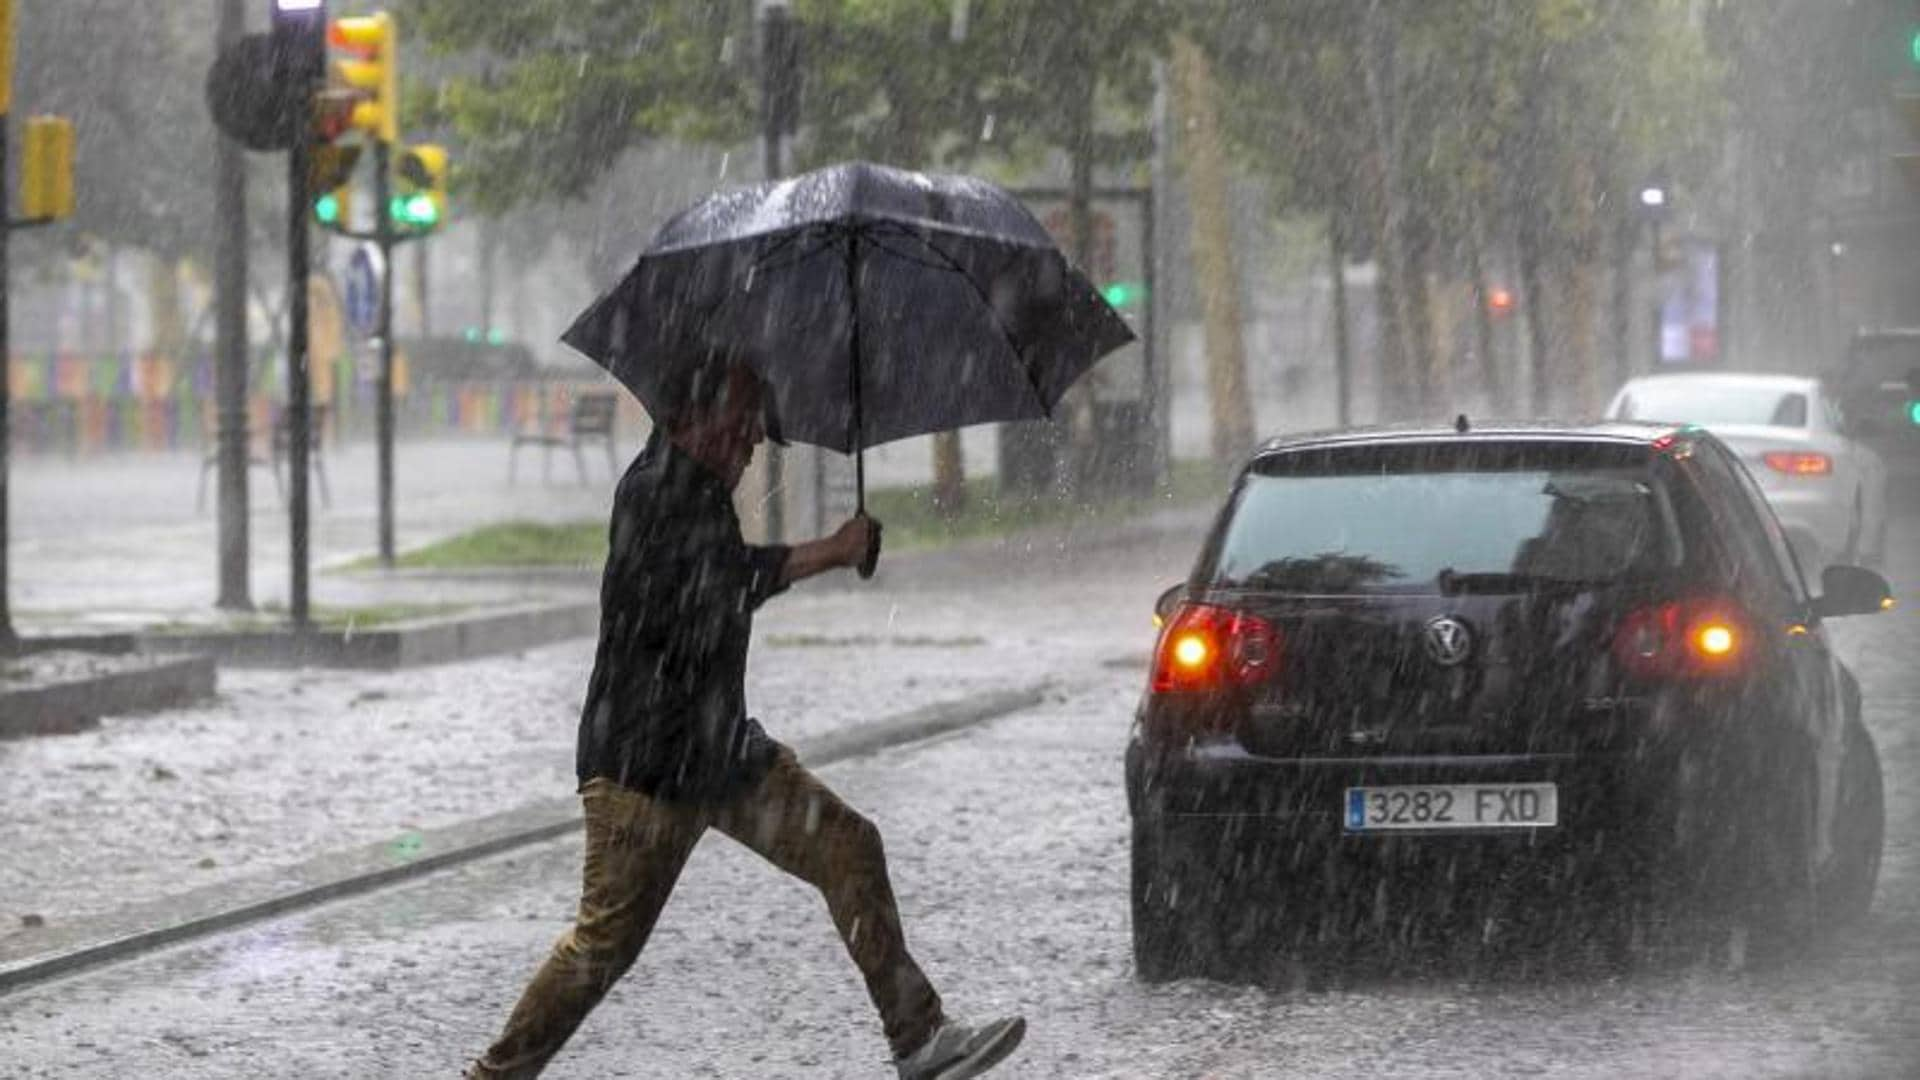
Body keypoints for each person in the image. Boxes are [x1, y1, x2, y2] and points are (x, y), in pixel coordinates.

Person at [466, 360, 1025, 1080]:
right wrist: (834, 549)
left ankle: (918, 1039)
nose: (755, 438)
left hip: (720, 755)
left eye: (757, 422)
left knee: (849, 846)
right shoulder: (655, 493)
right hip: (647, 770)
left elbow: (723, 581)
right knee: (600, 951)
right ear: (692, 417)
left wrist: (830, 549)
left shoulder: (697, 490)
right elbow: (721, 582)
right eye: (742, 421)